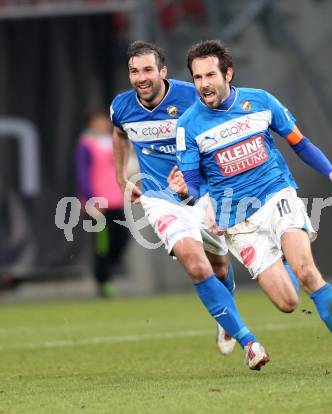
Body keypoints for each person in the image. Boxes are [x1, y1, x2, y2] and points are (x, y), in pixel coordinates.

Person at [173, 39, 332, 376]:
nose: (204, 84)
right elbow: (193, 182)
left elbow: (300, 143)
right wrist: (187, 193)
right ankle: (280, 257)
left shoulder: (261, 102)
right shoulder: (188, 126)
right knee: (287, 303)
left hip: (276, 196)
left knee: (307, 272)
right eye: (197, 77)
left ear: (228, 73)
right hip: (237, 222)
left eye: (210, 75)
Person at [110, 40, 271, 369]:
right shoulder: (122, 107)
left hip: (203, 194)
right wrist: (120, 176)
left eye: (147, 70)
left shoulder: (190, 96)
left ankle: (225, 318)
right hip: (160, 200)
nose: (141, 77)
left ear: (163, 71)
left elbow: (220, 128)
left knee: (220, 267)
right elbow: (120, 133)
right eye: (134, 71)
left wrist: (194, 173)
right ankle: (248, 342)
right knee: (195, 265)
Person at [75, 111, 130, 298]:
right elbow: (83, 173)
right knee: (102, 244)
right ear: (91, 123)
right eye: (98, 121)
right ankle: (103, 281)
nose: (102, 124)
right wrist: (90, 198)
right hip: (98, 202)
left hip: (116, 199)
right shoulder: (86, 144)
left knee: (122, 237)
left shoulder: (113, 140)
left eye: (104, 120)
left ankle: (107, 270)